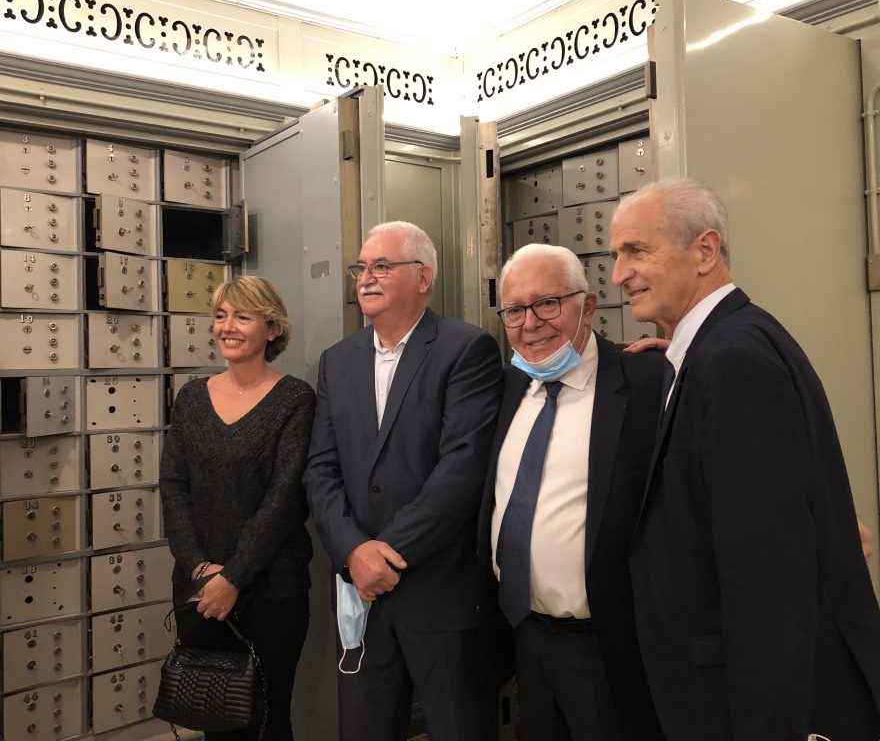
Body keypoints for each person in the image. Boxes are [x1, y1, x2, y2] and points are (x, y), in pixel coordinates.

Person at [609, 178, 880, 740]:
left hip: (746, 704)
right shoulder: (717, 349)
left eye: (637, 251)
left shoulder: (732, 361)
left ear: (705, 251)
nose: (617, 274)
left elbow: (767, 582)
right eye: (615, 255)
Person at [304, 221, 502, 741]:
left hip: (438, 591)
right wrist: (352, 552)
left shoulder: (466, 349)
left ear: (423, 278)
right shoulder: (336, 361)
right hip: (360, 595)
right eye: (361, 268)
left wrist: (384, 551)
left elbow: (462, 469)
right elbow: (321, 469)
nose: (366, 278)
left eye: (382, 266)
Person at [478, 243, 664, 741]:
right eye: (514, 310)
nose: (530, 322)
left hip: (609, 645)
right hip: (525, 635)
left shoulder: (648, 381)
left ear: (589, 304)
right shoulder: (506, 388)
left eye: (548, 303)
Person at [159, 275, 315, 741]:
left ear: (271, 329)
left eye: (243, 317)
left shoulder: (294, 399)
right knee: (216, 719)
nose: (228, 326)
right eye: (221, 316)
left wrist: (234, 577)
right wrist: (201, 570)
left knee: (266, 720)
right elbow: (173, 486)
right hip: (200, 589)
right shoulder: (191, 398)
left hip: (271, 591)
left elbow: (284, 500)